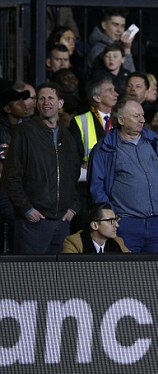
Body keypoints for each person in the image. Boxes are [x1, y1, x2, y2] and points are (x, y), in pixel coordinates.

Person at [2, 83, 80, 254]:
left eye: (51, 98)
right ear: (37, 104)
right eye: (41, 98)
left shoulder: (68, 137)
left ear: (60, 104)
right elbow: (10, 176)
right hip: (33, 223)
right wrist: (27, 209)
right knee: (28, 277)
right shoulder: (24, 132)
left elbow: (74, 175)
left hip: (62, 222)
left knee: (57, 278)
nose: (46, 102)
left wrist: (73, 207)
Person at [88, 99, 158, 253]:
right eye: (136, 116)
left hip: (157, 224)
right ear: (121, 120)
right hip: (125, 225)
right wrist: (113, 219)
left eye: (142, 115)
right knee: (128, 274)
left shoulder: (154, 142)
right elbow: (97, 186)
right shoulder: (105, 148)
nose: (142, 120)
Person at [69, 77, 119, 165]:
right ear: (97, 98)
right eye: (110, 90)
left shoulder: (120, 118)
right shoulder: (80, 121)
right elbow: (74, 154)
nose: (116, 94)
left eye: (114, 90)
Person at [62, 202, 129, 253]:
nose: (117, 225)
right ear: (94, 225)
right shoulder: (74, 242)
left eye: (116, 220)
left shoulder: (118, 242)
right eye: (110, 221)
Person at [87, 7, 136, 73]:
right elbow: (125, 77)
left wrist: (126, 48)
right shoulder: (98, 50)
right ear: (104, 25)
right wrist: (127, 49)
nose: (119, 30)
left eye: (122, 26)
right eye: (115, 25)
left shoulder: (121, 44)